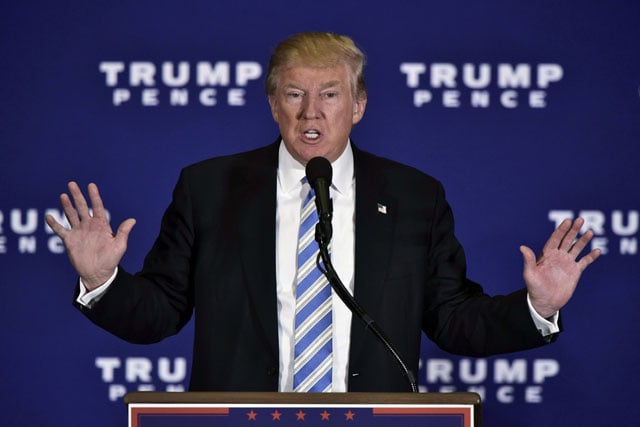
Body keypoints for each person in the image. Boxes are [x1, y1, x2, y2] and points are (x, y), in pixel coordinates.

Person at [46, 32, 600, 393]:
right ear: (272, 104)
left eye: (330, 94)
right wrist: (102, 280)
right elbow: (160, 312)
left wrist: (537, 307)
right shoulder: (210, 188)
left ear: (358, 106)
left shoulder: (415, 197)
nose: (311, 112)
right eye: (294, 94)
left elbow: (452, 319)